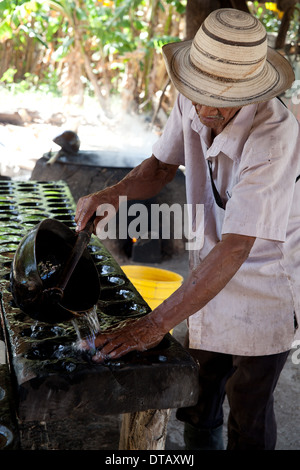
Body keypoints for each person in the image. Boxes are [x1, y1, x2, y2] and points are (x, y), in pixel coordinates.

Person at [75, 9, 300, 450]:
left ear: (249, 93)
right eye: (195, 94)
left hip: (266, 279)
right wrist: (111, 195)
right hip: (209, 269)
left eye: (216, 100)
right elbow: (160, 166)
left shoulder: (275, 137)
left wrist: (153, 324)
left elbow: (237, 247)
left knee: (250, 405)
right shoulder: (194, 96)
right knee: (199, 391)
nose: (201, 108)